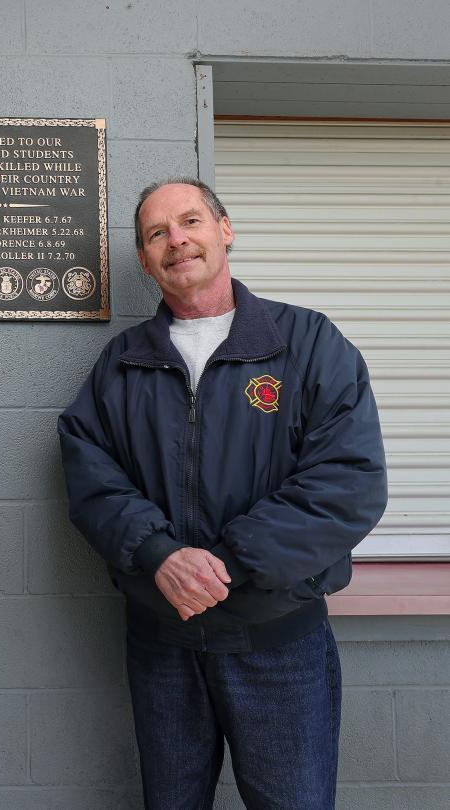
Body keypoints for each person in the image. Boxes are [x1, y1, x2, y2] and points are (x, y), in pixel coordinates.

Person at [58, 177, 387, 808]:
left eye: (190, 222)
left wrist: (224, 566)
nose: (176, 240)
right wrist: (159, 555)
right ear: (145, 258)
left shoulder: (310, 345)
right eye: (157, 233)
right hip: (163, 645)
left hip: (279, 641)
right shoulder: (121, 364)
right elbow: (90, 474)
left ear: (224, 229)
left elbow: (347, 481)